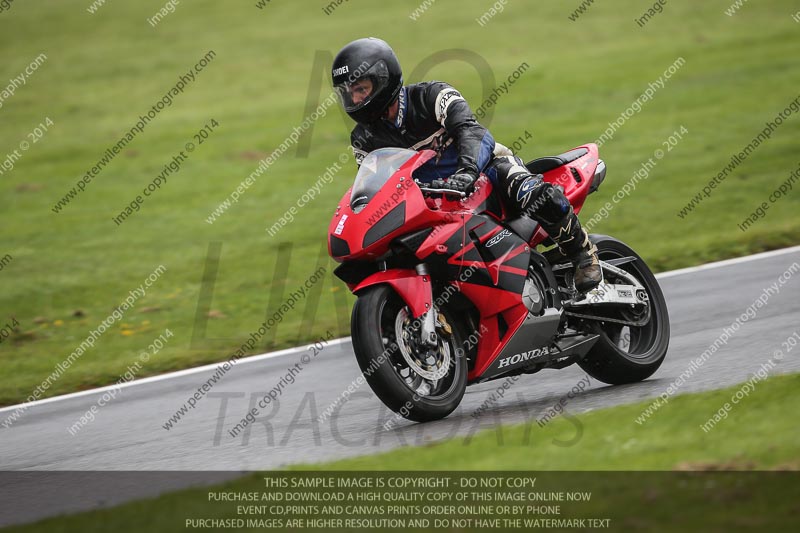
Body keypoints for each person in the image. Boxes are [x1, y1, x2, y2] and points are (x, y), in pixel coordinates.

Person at [331, 37, 601, 293]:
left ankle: (582, 253)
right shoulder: (363, 139)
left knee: (530, 191)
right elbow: (377, 185)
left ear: (383, 80)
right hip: (432, 199)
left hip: (485, 171)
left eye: (360, 89)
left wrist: (468, 171)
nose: (354, 100)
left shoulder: (433, 96)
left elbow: (472, 132)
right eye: (349, 93)